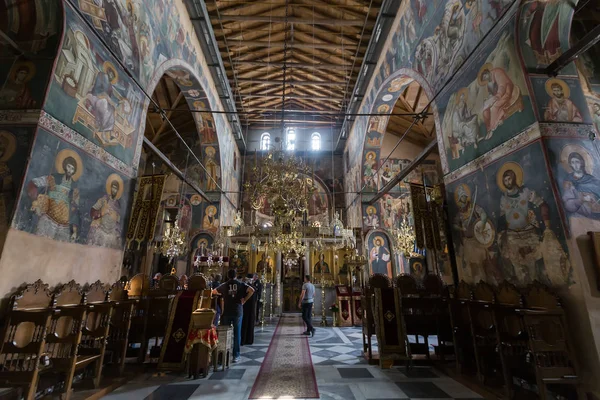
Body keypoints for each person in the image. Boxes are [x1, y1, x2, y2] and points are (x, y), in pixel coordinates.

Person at [215, 269, 254, 362]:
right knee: (237, 334)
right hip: (237, 311)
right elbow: (252, 290)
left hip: (227, 312)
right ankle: (236, 356)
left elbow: (214, 292)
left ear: (228, 276)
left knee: (224, 333)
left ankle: (222, 356)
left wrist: (223, 295)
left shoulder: (224, 285)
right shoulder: (241, 284)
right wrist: (244, 299)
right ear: (236, 275)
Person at [241, 274, 257, 345]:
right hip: (251, 308)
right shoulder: (253, 287)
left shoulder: (245, 287)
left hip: (246, 308)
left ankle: (243, 340)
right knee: (249, 323)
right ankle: (249, 340)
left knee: (245, 324)